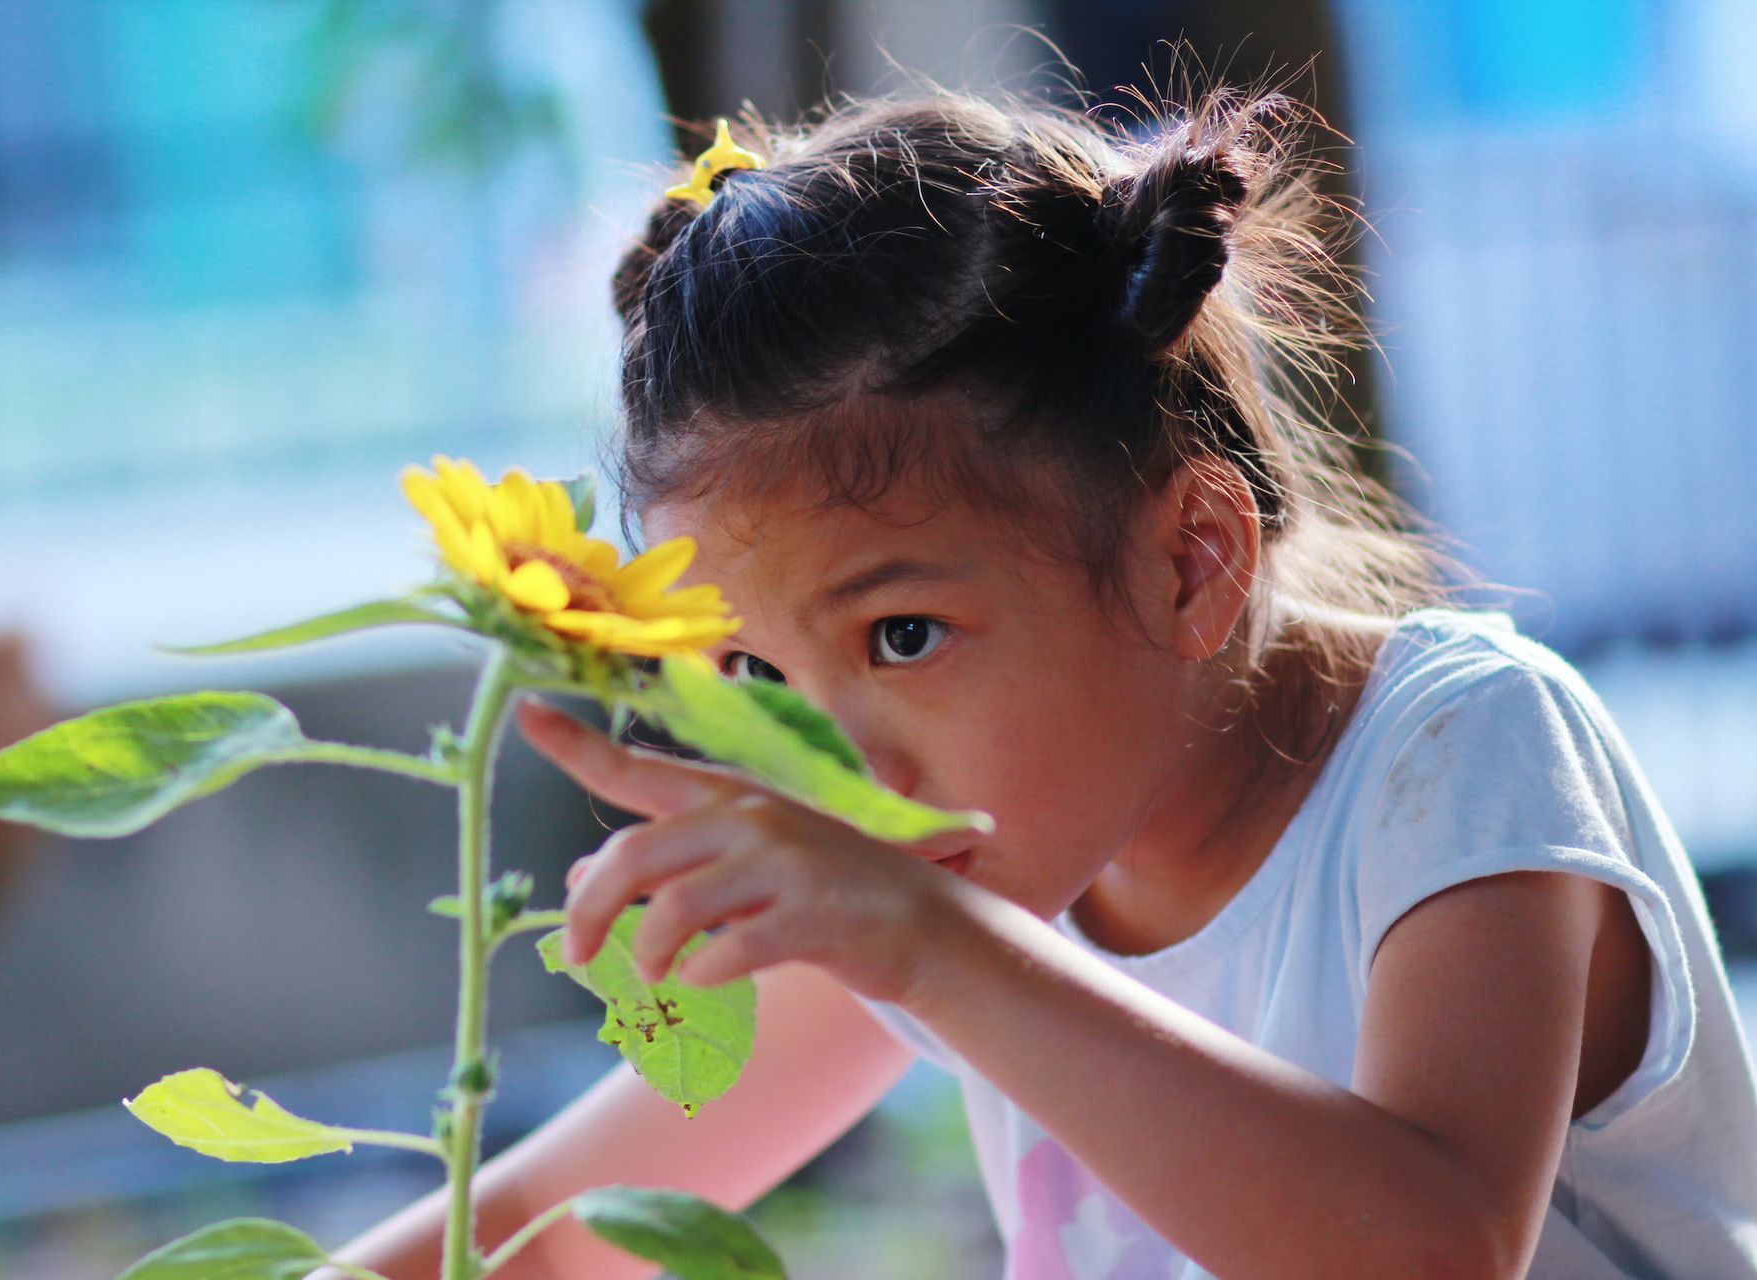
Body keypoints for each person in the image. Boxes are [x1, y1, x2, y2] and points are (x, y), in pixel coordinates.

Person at [324, 80, 1757, 1279]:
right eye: (749, 669)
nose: (837, 764)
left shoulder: (1462, 755)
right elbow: (550, 1235)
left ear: (1191, 560)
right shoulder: (968, 860)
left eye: (901, 638)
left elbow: (1430, 1254)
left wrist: (932, 947)